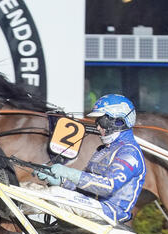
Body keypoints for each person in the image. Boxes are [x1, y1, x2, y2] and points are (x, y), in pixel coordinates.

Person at [35, 94, 146, 223]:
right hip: (93, 205)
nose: (98, 127)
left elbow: (107, 187)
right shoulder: (103, 150)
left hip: (109, 213)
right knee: (34, 189)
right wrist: (60, 181)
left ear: (119, 121)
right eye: (97, 122)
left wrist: (68, 172)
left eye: (101, 121)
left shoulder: (129, 152)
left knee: (50, 194)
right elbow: (86, 188)